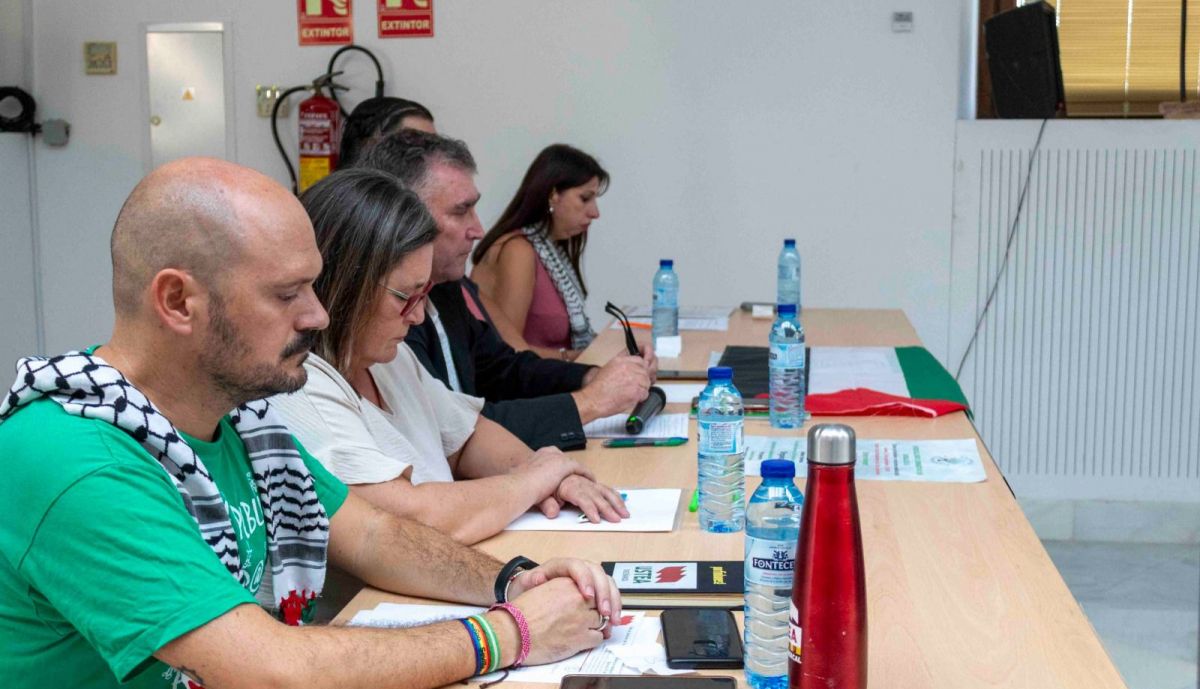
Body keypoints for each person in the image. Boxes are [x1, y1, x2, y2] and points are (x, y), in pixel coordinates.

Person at [0, 157, 620, 689]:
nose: (318, 316)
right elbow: (269, 669)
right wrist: (507, 635)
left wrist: (515, 582)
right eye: (286, 294)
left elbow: (374, 537)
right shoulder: (78, 458)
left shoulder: (238, 422)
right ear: (178, 302)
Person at [270, 167, 628, 545]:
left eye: (424, 294)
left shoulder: (391, 360)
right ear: (345, 284)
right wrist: (534, 479)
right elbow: (407, 520)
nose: (419, 314)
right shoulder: (302, 385)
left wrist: (556, 475)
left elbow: (467, 437)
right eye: (404, 296)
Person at [359, 131, 656, 451]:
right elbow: (451, 434)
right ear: (404, 217)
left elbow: (503, 370)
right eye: (461, 211)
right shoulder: (385, 314)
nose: (478, 229)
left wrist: (590, 377)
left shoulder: (446, 288)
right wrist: (588, 402)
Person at [470, 143, 608, 361]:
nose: (595, 212)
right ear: (553, 195)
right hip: (531, 388)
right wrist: (578, 357)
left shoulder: (551, 248)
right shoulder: (518, 250)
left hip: (553, 379)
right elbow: (509, 352)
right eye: (585, 198)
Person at [338, 96, 436, 169]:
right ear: (369, 146)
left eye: (433, 146)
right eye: (413, 143)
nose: (430, 157)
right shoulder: (335, 195)